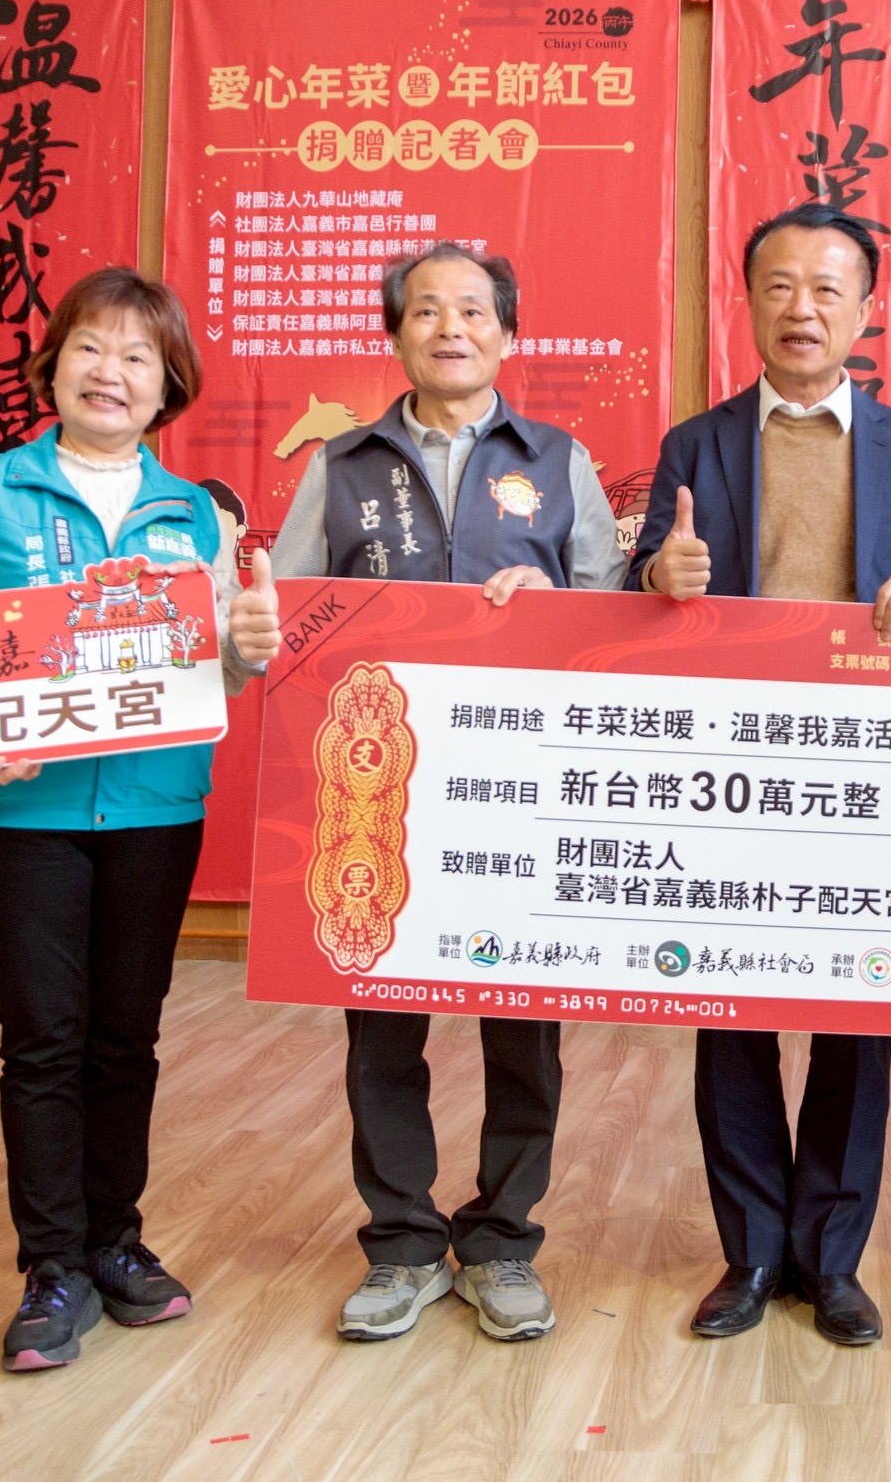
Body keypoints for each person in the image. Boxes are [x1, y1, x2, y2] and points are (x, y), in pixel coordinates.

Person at [228, 241, 625, 1346]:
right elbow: (285, 620)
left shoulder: (560, 462)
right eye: (426, 311)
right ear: (395, 335)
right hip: (375, 786)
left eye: (473, 310)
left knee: (524, 1026)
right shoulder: (341, 463)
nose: (451, 327)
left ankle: (502, 1240)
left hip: (525, 786)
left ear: (509, 333)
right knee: (382, 1026)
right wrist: (255, 628)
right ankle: (401, 1243)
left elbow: (616, 618)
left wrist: (554, 601)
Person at [626, 202, 891, 1347]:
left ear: (867, 309)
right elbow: (639, 576)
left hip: (866, 771)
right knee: (728, 1009)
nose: (802, 308)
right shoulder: (696, 444)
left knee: (856, 1011)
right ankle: (750, 1253)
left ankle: (831, 1259)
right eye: (780, 286)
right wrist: (660, 573)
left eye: (827, 288)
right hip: (729, 765)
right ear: (747, 302)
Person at [0, 266, 247, 1372]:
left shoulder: (197, 515)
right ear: (52, 368)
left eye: (138, 356)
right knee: (42, 1036)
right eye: (92, 348)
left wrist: (251, 648)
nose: (112, 372)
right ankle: (51, 1265)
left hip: (155, 807)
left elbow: (216, 675)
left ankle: (116, 1242)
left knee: (126, 1035)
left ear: (167, 387)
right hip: (23, 813)